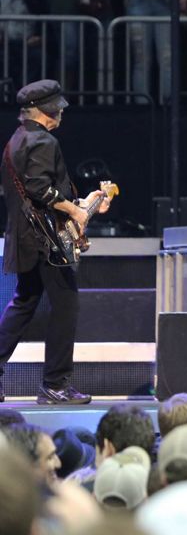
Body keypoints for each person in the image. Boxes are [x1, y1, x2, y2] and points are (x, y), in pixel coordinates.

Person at [0, 79, 112, 405]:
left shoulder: (16, 140)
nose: (61, 113)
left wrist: (83, 202)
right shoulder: (43, 141)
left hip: (25, 237)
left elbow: (35, 191)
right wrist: (75, 210)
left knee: (24, 302)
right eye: (58, 107)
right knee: (66, 305)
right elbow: (41, 190)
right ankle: (55, 385)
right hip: (46, 241)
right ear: (48, 111)